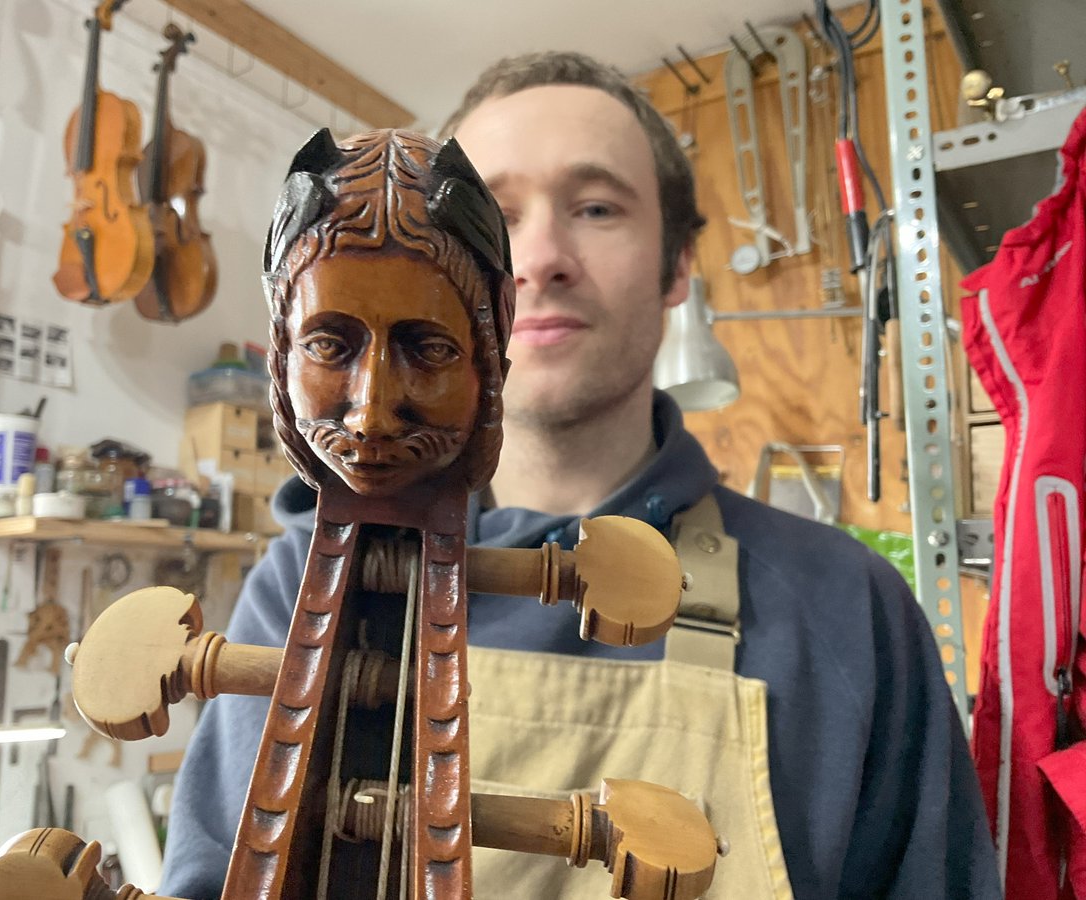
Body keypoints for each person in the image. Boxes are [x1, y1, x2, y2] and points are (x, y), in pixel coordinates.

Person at [160, 52, 1001, 899]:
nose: (542, 257)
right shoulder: (291, 586)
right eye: (496, 215)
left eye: (597, 208)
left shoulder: (847, 604)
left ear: (679, 267)